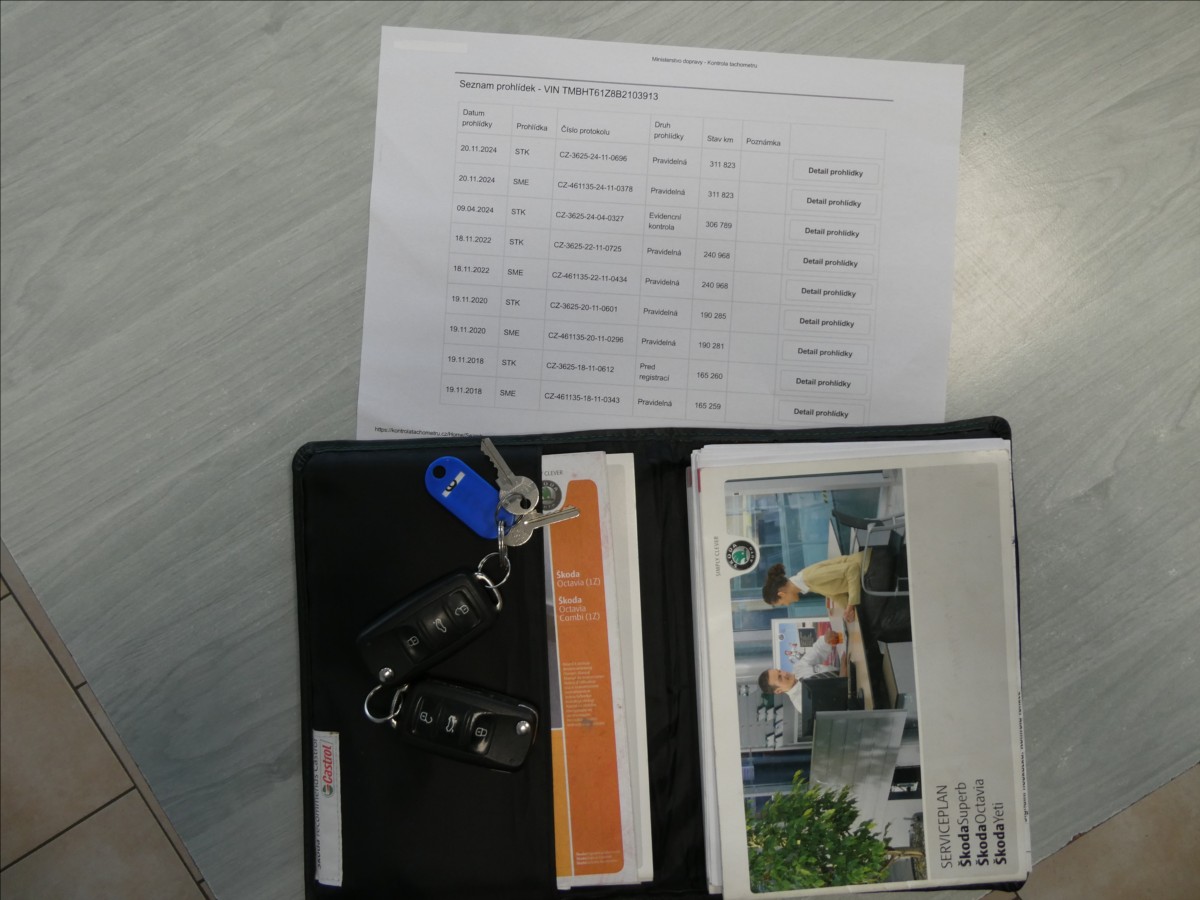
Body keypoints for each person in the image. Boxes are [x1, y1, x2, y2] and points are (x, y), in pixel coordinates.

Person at [757, 630, 844, 710]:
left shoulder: (798, 668)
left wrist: (825, 640)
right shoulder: (801, 703)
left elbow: (817, 651)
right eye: (780, 677)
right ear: (778, 691)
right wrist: (844, 677)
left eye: (779, 671)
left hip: (848, 669)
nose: (784, 673)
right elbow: (836, 705)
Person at [760, 555, 865, 620]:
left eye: (783, 603)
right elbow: (835, 595)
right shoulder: (806, 586)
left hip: (867, 569)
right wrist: (848, 610)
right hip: (864, 580)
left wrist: (851, 604)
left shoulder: (810, 578)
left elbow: (852, 569)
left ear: (781, 594)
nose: (787, 604)